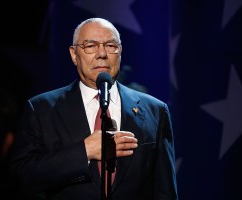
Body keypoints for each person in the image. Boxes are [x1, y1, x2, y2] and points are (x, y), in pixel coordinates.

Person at [10, 18, 178, 200]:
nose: (102, 54)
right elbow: (23, 176)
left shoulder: (155, 110)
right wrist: (84, 152)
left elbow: (164, 191)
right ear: (74, 54)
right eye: (90, 46)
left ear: (120, 51)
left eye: (110, 45)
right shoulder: (41, 109)